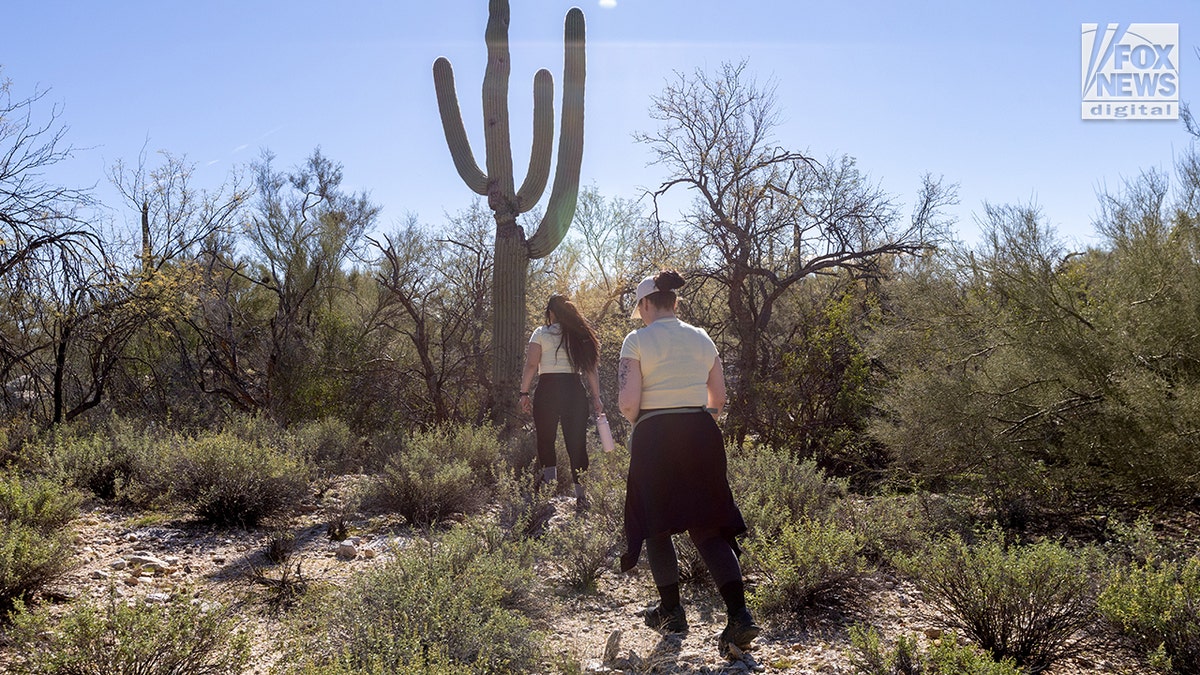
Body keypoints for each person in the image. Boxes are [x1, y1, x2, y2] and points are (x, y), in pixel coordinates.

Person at [617, 269, 761, 656]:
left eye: (641, 308)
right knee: (708, 526)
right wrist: (699, 419)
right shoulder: (701, 337)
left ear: (646, 304)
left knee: (656, 524)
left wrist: (647, 422)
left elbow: (628, 402)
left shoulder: (636, 340)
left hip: (653, 435)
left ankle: (671, 612)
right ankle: (739, 617)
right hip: (701, 432)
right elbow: (719, 395)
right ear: (675, 302)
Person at [520, 294, 604, 510]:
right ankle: (582, 496)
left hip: (547, 390)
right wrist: (596, 398)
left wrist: (524, 393)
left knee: (546, 440)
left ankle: (549, 491)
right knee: (576, 443)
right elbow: (591, 370)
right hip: (574, 390)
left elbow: (531, 365)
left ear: (551, 312)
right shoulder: (579, 335)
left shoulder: (540, 333)